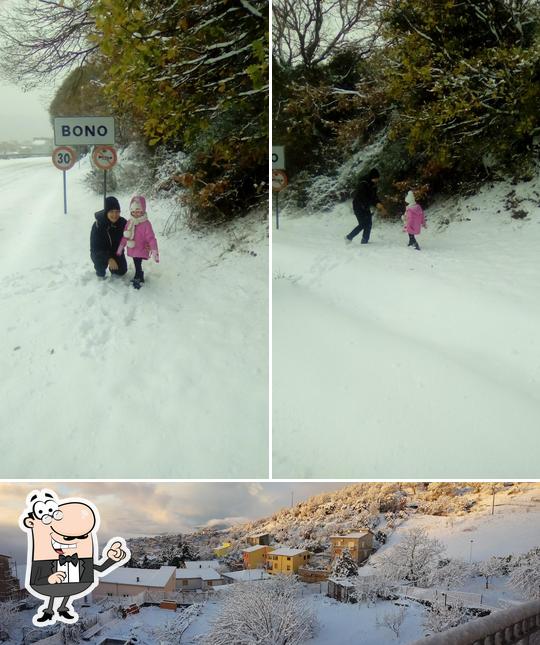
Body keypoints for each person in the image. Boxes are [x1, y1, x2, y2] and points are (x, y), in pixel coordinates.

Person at [116, 195, 159, 289]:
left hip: (141, 247)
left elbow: (151, 238)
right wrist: (120, 247)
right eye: (133, 211)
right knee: (136, 261)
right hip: (132, 247)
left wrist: (155, 251)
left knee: (137, 262)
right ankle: (139, 274)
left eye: (138, 211)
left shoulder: (146, 224)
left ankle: (138, 276)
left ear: (143, 210)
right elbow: (125, 236)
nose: (136, 214)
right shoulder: (129, 222)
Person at [345, 168, 386, 244]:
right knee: (363, 224)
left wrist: (378, 203)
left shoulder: (373, 185)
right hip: (358, 206)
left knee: (369, 223)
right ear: (372, 177)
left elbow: (374, 197)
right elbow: (364, 197)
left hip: (365, 206)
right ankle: (349, 237)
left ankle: (365, 241)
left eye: (377, 178)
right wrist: (375, 204)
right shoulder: (363, 184)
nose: (377, 180)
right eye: (376, 178)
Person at [90, 196, 128, 278]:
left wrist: (145, 244)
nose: (115, 215)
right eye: (111, 211)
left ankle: (113, 267)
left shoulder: (123, 223)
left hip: (116, 252)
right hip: (100, 253)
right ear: (106, 212)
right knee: (100, 266)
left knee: (122, 271)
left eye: (117, 211)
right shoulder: (97, 225)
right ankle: (100, 270)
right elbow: (95, 249)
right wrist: (109, 259)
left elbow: (134, 235)